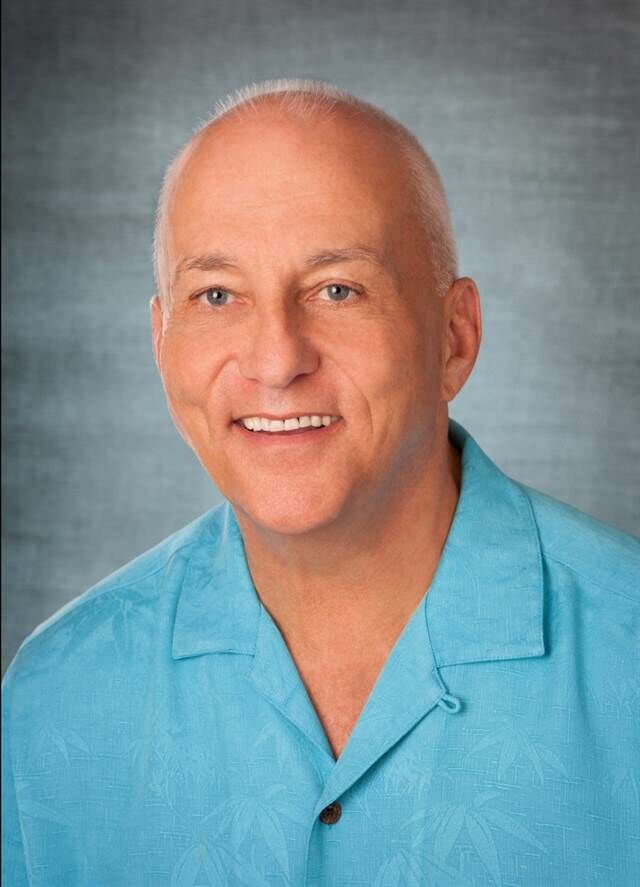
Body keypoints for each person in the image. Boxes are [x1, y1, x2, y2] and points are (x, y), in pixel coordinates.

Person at [2, 79, 638, 887]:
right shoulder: (54, 696)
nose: (277, 360)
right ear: (162, 344)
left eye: (338, 289)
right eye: (217, 295)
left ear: (454, 337)